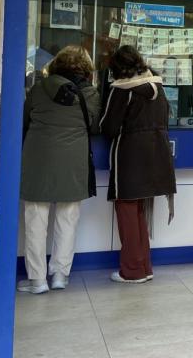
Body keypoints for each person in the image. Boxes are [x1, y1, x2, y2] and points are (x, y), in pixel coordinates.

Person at [17, 45, 101, 294]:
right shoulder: (90, 93)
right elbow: (94, 126)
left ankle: (37, 280)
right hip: (73, 161)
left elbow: (23, 121)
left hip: (38, 159)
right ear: (86, 68)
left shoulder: (38, 88)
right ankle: (60, 276)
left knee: (35, 219)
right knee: (68, 218)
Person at [99, 45, 176, 284]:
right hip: (156, 154)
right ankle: (144, 267)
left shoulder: (121, 89)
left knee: (126, 210)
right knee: (139, 211)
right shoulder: (157, 86)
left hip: (129, 156)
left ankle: (132, 270)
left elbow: (108, 126)